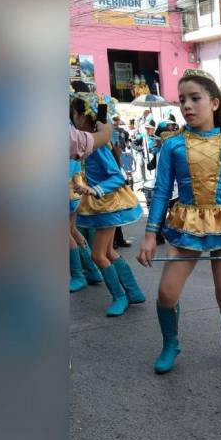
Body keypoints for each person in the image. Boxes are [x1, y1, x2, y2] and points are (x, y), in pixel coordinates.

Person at [136, 69, 221, 375]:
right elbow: (160, 191)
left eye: (195, 98)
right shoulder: (172, 144)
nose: (186, 105)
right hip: (186, 225)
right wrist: (149, 234)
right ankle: (170, 344)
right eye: (182, 99)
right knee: (166, 294)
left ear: (214, 103)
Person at [70, 97, 146, 317]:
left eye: (73, 115)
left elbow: (118, 177)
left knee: (98, 255)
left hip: (107, 205)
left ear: (82, 116)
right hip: (101, 205)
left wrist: (95, 190)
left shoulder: (98, 146)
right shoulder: (90, 143)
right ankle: (133, 292)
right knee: (109, 251)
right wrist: (82, 185)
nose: (71, 120)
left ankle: (120, 297)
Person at [69, 158, 104, 292]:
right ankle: (92, 271)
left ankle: (78, 276)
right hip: (75, 194)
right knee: (72, 231)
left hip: (69, 194)